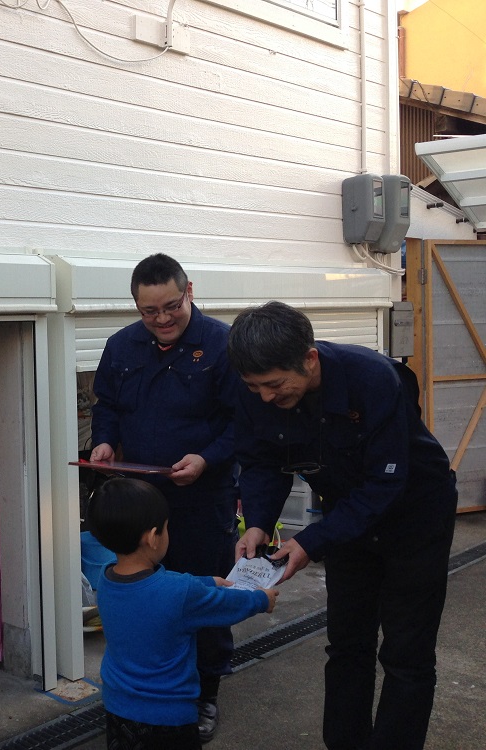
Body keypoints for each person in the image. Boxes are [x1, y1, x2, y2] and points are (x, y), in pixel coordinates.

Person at [227, 301, 457, 750]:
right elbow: (261, 460)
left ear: (310, 359)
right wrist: (257, 523)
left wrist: (311, 541)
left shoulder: (373, 379)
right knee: (348, 644)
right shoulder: (255, 389)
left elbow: (384, 484)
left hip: (415, 515)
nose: (266, 397)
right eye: (255, 387)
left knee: (406, 653)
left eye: (275, 384)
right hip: (347, 517)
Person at [89, 253, 240, 742]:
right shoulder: (121, 346)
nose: (162, 319)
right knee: (144, 595)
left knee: (202, 591)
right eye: (149, 311)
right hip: (140, 501)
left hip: (201, 499)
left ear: (189, 291)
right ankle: (147, 684)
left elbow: (243, 422)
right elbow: (107, 406)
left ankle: (205, 692)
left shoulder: (222, 345)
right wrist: (104, 441)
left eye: (171, 306)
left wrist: (207, 459)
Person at [86, 477, 277, 750]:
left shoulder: (106, 580)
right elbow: (226, 604)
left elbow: (162, 587)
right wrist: (261, 599)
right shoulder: (180, 594)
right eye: (166, 528)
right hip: (169, 721)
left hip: (118, 711)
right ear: (153, 537)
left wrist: (208, 582)